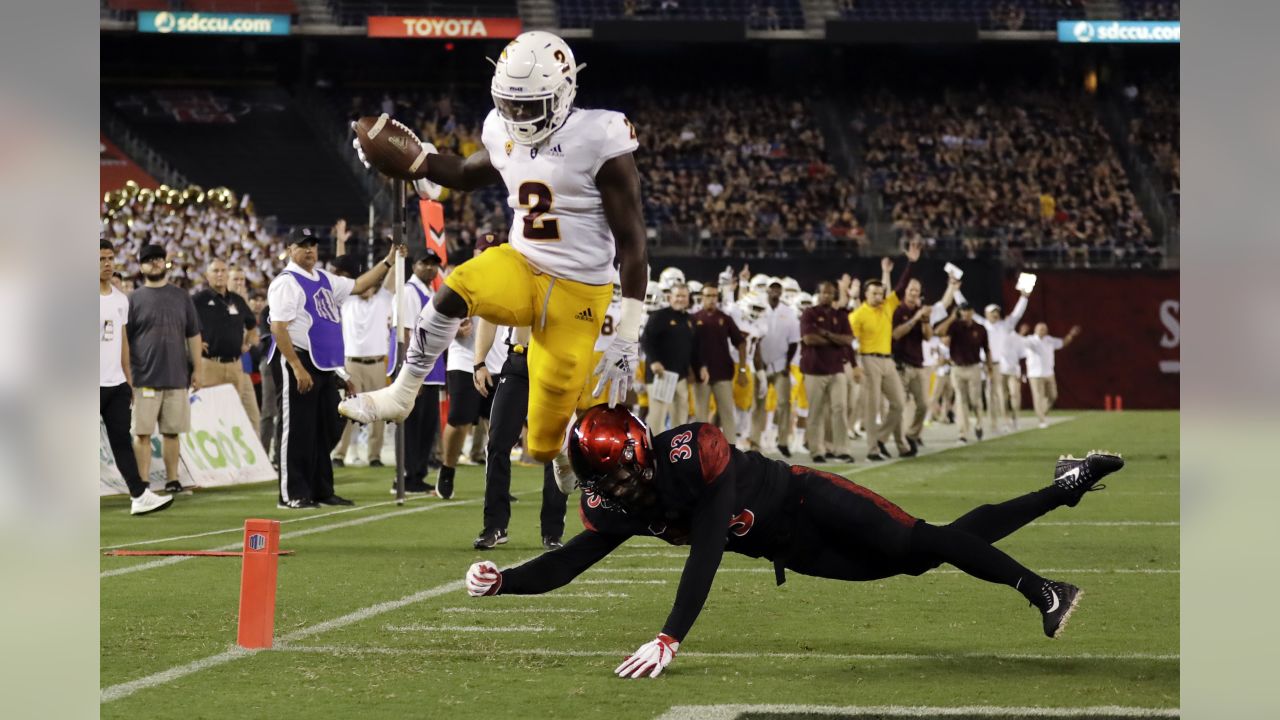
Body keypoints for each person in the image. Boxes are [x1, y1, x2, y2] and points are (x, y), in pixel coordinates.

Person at [463, 406, 1126, 678]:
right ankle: (1064, 486)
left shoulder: (694, 452)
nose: (616, 492)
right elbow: (570, 563)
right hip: (793, 550)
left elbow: (708, 547)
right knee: (927, 552)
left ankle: (1043, 590)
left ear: (640, 453)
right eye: (602, 481)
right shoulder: (617, 502)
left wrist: (670, 634)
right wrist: (505, 582)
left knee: (922, 541)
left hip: (808, 498)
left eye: (619, 475)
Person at [342, 30, 649, 500]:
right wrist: (420, 163)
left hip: (579, 291)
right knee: (456, 286)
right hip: (523, 263)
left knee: (542, 442)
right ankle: (403, 391)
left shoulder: (599, 137)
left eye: (530, 105)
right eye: (511, 103)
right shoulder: (500, 128)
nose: (519, 116)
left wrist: (627, 333)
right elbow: (467, 173)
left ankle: (565, 451)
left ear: (564, 92)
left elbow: (633, 244)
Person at [268, 231, 402, 509]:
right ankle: (291, 493)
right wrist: (295, 366)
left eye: (313, 246)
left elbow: (360, 283)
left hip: (324, 364)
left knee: (326, 427)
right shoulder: (286, 282)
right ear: (290, 249)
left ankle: (321, 489)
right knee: (298, 430)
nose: (309, 251)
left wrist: (388, 261)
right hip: (297, 359)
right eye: (303, 246)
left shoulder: (325, 279)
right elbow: (278, 327)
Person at [472, 321, 567, 550]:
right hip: (518, 360)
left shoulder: (565, 283)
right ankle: (495, 526)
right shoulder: (516, 284)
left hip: (555, 362)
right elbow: (489, 316)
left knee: (553, 446)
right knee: (497, 443)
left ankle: (553, 531)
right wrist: (479, 362)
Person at [100, 241, 172, 515]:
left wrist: (128, 380)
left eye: (110, 258)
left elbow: (123, 343)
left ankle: (139, 495)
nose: (107, 263)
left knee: (121, 440)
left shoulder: (120, 300)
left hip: (115, 384)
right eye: (101, 259)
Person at [128, 243, 203, 495]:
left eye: (159, 259)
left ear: (165, 263)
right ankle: (143, 484)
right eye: (149, 260)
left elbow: (193, 335)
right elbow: (124, 342)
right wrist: (127, 377)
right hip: (144, 378)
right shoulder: (133, 299)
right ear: (141, 266)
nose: (155, 263)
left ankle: (173, 481)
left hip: (175, 376)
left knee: (172, 433)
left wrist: (198, 369)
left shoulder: (181, 296)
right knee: (142, 433)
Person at [850, 246, 920, 461]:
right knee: (872, 408)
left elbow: (900, 288)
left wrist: (910, 263)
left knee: (899, 403)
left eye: (881, 293)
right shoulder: (858, 315)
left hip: (887, 360)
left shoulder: (887, 307)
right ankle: (872, 450)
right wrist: (856, 365)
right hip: (868, 359)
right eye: (875, 293)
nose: (879, 296)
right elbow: (851, 343)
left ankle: (880, 438)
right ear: (866, 294)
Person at [332, 254, 394, 467]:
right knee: (349, 411)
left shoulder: (384, 299)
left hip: (377, 364)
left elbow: (392, 275)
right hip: (352, 364)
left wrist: (396, 258)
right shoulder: (347, 300)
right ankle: (339, 454)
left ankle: (374, 455)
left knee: (377, 412)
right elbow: (339, 271)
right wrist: (340, 242)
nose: (367, 288)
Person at [192, 258, 260, 435]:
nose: (220, 274)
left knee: (232, 415)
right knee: (207, 414)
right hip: (209, 365)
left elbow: (252, 324)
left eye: (223, 270)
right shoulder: (198, 300)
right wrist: (194, 341)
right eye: (215, 271)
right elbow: (183, 324)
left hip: (235, 365)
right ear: (207, 275)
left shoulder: (237, 300)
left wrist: (247, 342)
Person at [398, 250, 447, 495]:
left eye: (433, 265)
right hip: (418, 368)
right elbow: (406, 332)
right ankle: (407, 475)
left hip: (431, 367)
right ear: (414, 265)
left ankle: (417, 474)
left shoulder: (430, 292)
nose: (429, 268)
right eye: (424, 263)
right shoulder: (409, 291)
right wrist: (410, 373)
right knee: (414, 425)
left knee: (427, 425)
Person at [894, 276, 958, 452]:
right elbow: (896, 334)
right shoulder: (895, 309)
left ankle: (911, 434)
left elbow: (942, 306)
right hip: (899, 363)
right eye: (910, 289)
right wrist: (915, 318)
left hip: (919, 363)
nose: (914, 293)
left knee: (923, 404)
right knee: (902, 404)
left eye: (916, 290)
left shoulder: (925, 310)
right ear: (904, 291)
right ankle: (902, 440)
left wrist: (951, 288)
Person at [799, 281, 854, 463]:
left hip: (836, 368)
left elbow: (848, 340)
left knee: (840, 409)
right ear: (818, 294)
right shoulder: (810, 313)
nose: (827, 296)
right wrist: (835, 340)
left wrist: (827, 335)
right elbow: (809, 339)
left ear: (835, 295)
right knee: (816, 411)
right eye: (824, 293)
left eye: (830, 293)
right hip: (814, 370)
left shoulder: (841, 315)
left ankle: (841, 449)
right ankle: (817, 450)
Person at [691, 284, 749, 441]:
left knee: (727, 414)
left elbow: (741, 342)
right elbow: (688, 347)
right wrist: (690, 370)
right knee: (700, 417)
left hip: (723, 373)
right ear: (702, 297)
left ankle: (732, 450)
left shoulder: (725, 318)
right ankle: (700, 451)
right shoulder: (694, 318)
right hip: (700, 376)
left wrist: (742, 370)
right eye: (708, 295)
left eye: (714, 296)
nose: (711, 299)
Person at [749, 279, 799, 456]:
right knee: (758, 405)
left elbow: (793, 341)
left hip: (779, 365)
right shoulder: (758, 308)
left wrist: (787, 364)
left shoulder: (789, 312)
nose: (775, 292)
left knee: (784, 404)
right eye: (772, 289)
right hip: (759, 365)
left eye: (778, 289)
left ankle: (783, 441)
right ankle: (755, 442)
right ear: (767, 291)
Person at [641, 283, 699, 433]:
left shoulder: (688, 319)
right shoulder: (659, 316)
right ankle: (652, 453)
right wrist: (654, 361)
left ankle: (676, 452)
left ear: (688, 298)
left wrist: (694, 369)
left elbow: (690, 347)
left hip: (681, 377)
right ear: (670, 297)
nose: (680, 299)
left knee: (680, 420)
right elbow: (646, 340)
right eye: (677, 295)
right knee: (657, 419)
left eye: (683, 296)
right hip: (661, 376)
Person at [974, 290, 1030, 433]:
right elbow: (969, 313)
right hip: (987, 364)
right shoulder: (982, 324)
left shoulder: (1005, 325)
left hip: (1001, 365)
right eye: (992, 312)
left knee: (1005, 394)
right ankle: (994, 424)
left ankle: (1011, 419)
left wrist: (1024, 297)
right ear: (986, 314)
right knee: (990, 395)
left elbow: (1017, 313)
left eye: (997, 311)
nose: (995, 314)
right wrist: (955, 291)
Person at [937, 303, 991, 443]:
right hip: (957, 368)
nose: (965, 313)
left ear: (972, 312)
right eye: (963, 311)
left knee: (975, 400)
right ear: (960, 312)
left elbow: (986, 349)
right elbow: (939, 332)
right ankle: (963, 433)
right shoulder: (954, 326)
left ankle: (979, 424)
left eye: (968, 310)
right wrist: (951, 318)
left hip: (974, 367)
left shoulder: (980, 329)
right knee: (961, 400)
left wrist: (989, 366)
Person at [1023, 323, 1082, 428]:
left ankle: (1042, 413)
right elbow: (1021, 343)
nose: (1043, 331)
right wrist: (1022, 334)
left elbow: (1063, 343)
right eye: (1040, 329)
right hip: (1035, 374)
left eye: (1044, 329)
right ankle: (1041, 420)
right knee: (1038, 397)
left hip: (1049, 373)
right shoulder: (1030, 340)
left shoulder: (1049, 340)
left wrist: (1071, 335)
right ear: (1035, 330)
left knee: (1053, 396)